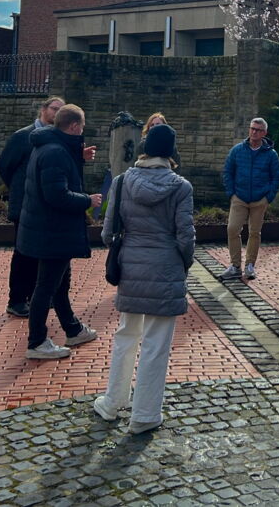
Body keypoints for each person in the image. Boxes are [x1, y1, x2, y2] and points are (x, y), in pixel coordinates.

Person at [94, 123, 195, 434]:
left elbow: (108, 233)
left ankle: (113, 402)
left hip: (132, 267)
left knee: (126, 335)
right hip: (165, 267)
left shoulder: (122, 182)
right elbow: (185, 237)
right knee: (156, 344)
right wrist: (183, 263)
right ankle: (145, 415)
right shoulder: (181, 187)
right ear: (171, 153)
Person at [19, 104, 102, 359]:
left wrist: (79, 157)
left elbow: (59, 176)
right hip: (52, 231)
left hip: (51, 230)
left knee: (59, 284)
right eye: (83, 126)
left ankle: (73, 329)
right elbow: (56, 195)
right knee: (46, 287)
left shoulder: (50, 146)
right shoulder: (55, 152)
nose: (83, 131)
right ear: (75, 126)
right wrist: (87, 201)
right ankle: (37, 342)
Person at [0, 95, 63, 318]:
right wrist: (20, 190)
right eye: (55, 109)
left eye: (61, 111)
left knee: (42, 252)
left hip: (46, 207)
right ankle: (16, 300)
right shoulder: (23, 137)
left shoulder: (58, 138)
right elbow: (5, 166)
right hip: (24, 205)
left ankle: (37, 296)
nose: (57, 114)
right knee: (23, 253)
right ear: (43, 110)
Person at [220, 116, 279, 282]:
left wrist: (268, 197)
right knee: (232, 229)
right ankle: (235, 266)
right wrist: (231, 193)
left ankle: (250, 265)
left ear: (264, 133)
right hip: (239, 197)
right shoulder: (237, 150)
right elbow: (227, 172)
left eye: (258, 130)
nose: (254, 132)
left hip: (259, 199)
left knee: (254, 232)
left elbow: (276, 177)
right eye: (252, 128)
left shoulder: (271, 155)